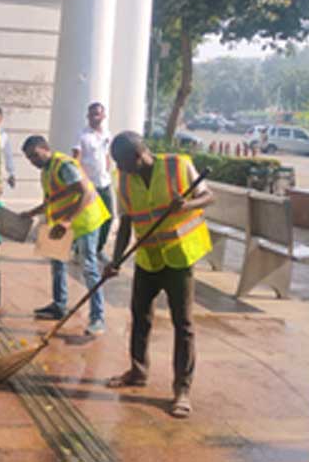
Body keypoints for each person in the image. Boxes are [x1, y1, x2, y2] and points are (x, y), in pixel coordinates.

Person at [102, 130, 215, 419]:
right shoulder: (124, 180)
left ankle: (182, 390)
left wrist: (187, 205)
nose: (119, 168)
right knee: (140, 316)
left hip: (179, 257)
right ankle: (138, 371)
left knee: (183, 323)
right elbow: (126, 222)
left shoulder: (178, 166)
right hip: (148, 259)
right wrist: (115, 260)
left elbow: (208, 196)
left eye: (122, 162)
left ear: (138, 156)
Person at [19, 135, 112, 336]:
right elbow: (52, 199)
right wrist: (31, 213)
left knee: (89, 268)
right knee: (56, 262)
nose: (33, 161)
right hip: (62, 223)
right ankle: (58, 305)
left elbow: (86, 193)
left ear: (46, 148)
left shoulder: (64, 165)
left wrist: (68, 221)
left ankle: (98, 318)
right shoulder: (46, 171)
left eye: (35, 155)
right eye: (29, 158)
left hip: (84, 221)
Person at [72, 102, 114, 261]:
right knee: (86, 219)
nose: (94, 117)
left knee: (108, 217)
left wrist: (107, 168)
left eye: (97, 114)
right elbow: (76, 158)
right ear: (87, 116)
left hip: (104, 182)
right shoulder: (82, 135)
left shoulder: (107, 134)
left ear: (103, 116)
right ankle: (78, 250)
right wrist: (79, 179)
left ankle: (98, 249)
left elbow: (107, 154)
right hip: (89, 185)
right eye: (91, 114)